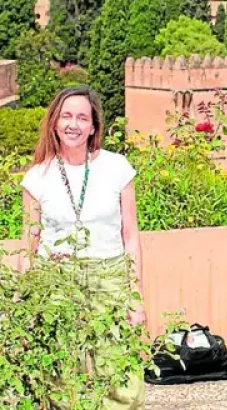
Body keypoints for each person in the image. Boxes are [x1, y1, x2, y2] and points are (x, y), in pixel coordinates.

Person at [19, 85, 146, 409]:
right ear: (54, 123)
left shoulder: (117, 167)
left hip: (110, 276)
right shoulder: (37, 177)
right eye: (66, 116)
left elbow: (130, 235)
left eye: (82, 117)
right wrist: (24, 305)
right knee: (60, 374)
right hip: (56, 280)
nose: (73, 124)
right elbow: (28, 246)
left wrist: (135, 298)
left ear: (93, 127)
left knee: (121, 372)